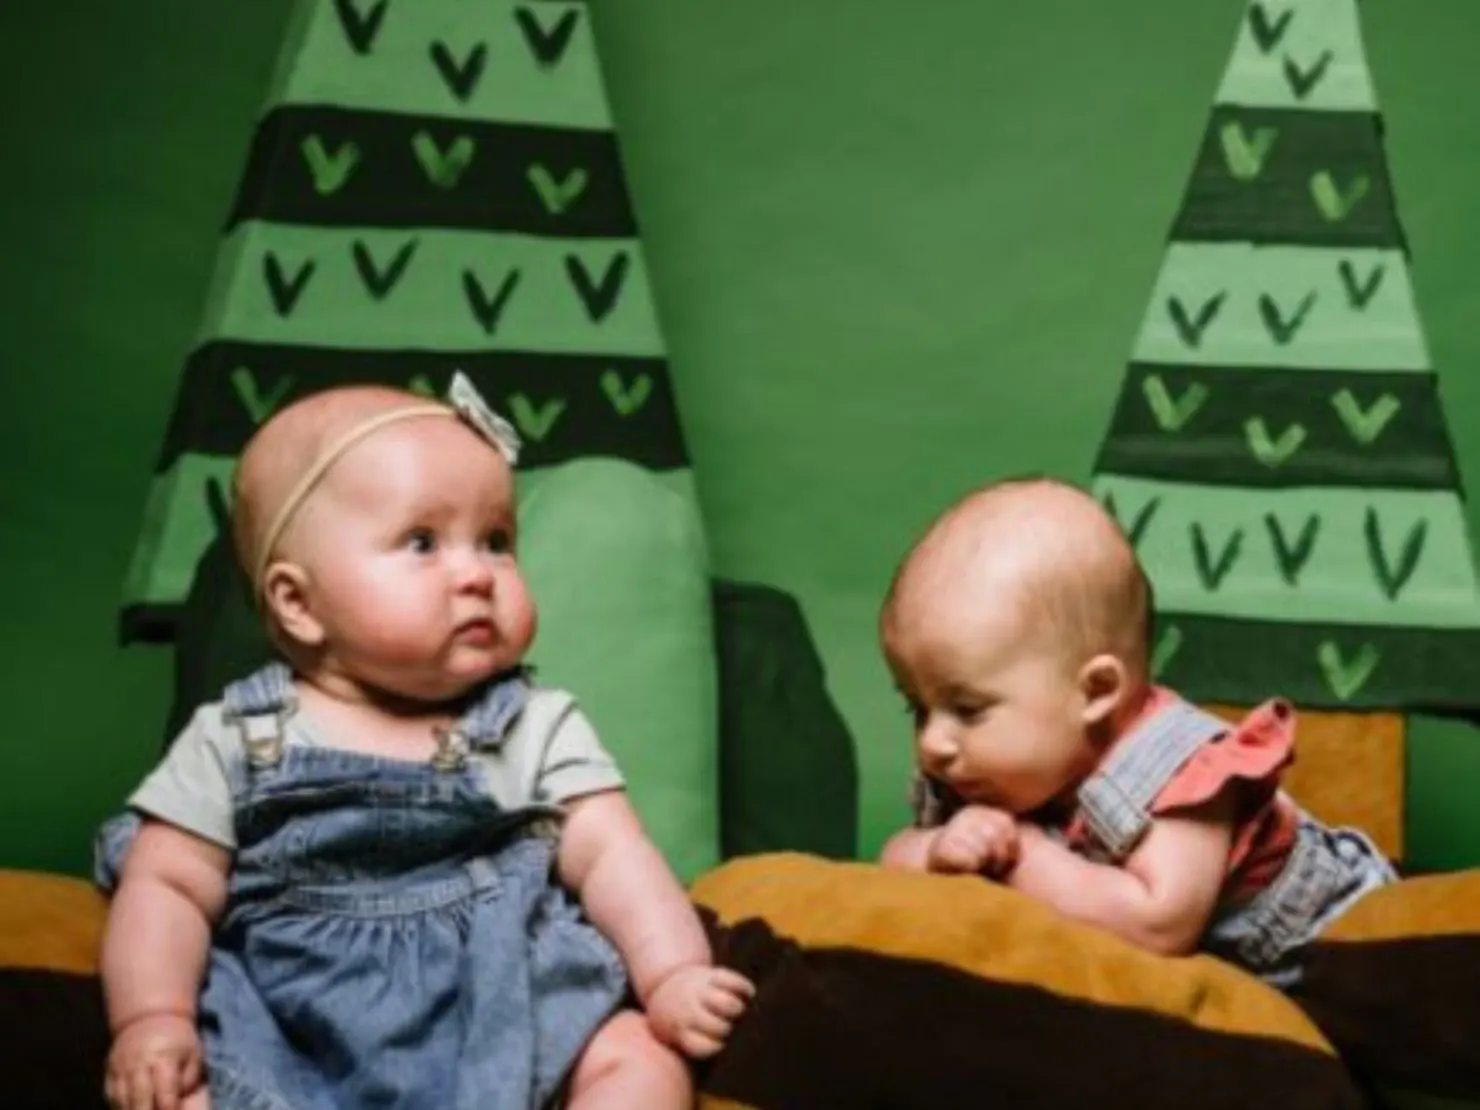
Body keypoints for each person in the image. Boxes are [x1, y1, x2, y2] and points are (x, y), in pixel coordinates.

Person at [96, 374, 753, 1110]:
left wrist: (671, 976)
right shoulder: (238, 738)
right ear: (298, 602)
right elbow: (168, 884)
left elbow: (613, 855)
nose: (478, 574)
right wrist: (152, 1019)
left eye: (498, 541)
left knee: (637, 1057)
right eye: (422, 542)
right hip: (294, 1029)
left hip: (509, 1000)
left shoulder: (532, 724)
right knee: (188, 1095)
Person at [877, 476, 1395, 985]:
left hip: (1337, 953)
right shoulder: (982, 774)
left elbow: (1160, 924)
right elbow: (889, 863)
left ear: (1097, 692)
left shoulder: (1179, 771)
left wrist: (1024, 854)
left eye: (967, 709)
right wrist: (936, 849)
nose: (932, 744)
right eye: (917, 709)